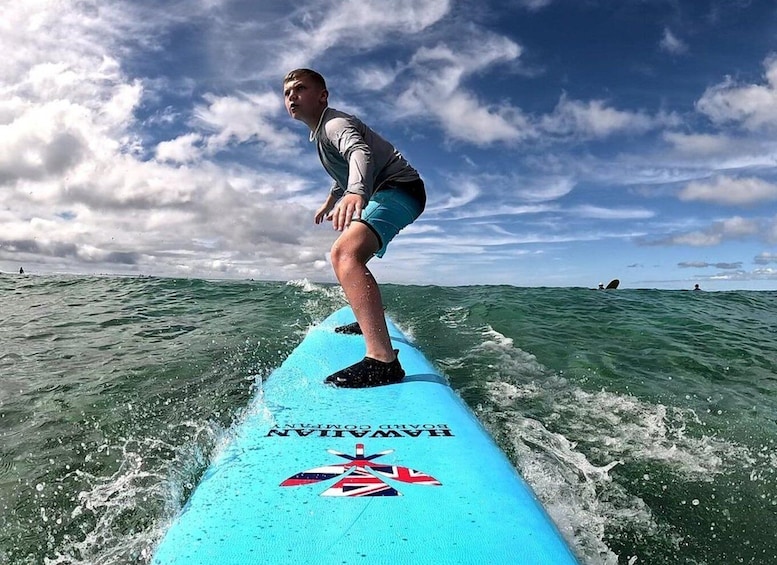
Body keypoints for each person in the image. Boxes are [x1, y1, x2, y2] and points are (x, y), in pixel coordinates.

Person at [282, 68, 426, 389]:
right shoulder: (322, 134)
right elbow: (341, 174)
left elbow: (359, 153)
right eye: (287, 93)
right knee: (353, 253)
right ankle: (368, 321)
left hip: (400, 187)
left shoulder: (334, 124)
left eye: (300, 89)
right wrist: (332, 200)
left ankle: (382, 361)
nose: (292, 96)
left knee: (345, 254)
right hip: (393, 189)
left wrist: (356, 191)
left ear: (322, 96)